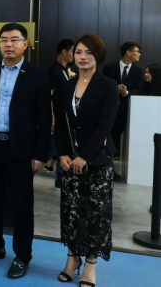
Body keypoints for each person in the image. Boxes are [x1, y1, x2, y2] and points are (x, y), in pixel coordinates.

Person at [0, 23, 51, 279]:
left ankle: (22, 255)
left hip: (22, 150)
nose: (8, 44)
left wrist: (40, 154)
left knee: (22, 205)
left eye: (14, 40)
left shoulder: (37, 74)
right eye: (4, 40)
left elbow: (44, 117)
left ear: (25, 44)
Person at [55, 34, 118, 287]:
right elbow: (60, 124)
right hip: (69, 161)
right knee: (71, 212)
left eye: (89, 52)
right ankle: (72, 259)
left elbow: (105, 126)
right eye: (79, 52)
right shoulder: (66, 86)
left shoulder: (108, 85)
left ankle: (90, 264)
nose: (83, 57)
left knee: (95, 214)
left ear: (98, 56)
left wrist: (84, 156)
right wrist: (62, 153)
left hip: (98, 161)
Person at [103, 42, 144, 181]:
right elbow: (103, 86)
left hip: (125, 112)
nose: (139, 54)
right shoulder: (109, 68)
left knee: (115, 140)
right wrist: (115, 89)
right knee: (106, 138)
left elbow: (138, 90)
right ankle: (105, 167)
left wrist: (125, 92)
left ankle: (110, 168)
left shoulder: (138, 71)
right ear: (128, 52)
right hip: (108, 110)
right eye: (137, 51)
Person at [46, 39, 75, 189]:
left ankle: (60, 181)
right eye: (73, 51)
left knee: (60, 148)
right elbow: (49, 96)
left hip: (65, 116)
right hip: (56, 117)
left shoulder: (65, 70)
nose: (75, 55)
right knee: (53, 148)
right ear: (64, 52)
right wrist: (52, 117)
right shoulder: (54, 71)